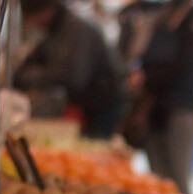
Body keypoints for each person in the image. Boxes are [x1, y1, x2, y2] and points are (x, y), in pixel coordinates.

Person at [119, 0, 193, 194]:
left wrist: (149, 77)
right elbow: (135, 54)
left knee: (179, 184)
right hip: (152, 110)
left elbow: (191, 67)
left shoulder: (192, 16)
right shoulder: (157, 13)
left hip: (180, 109)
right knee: (158, 183)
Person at [14, 0, 125, 139]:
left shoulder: (77, 29)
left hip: (101, 109)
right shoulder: (56, 29)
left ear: (46, 11)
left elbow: (74, 78)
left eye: (34, 18)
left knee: (94, 153)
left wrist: (35, 76)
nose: (34, 24)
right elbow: (20, 72)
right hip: (86, 105)